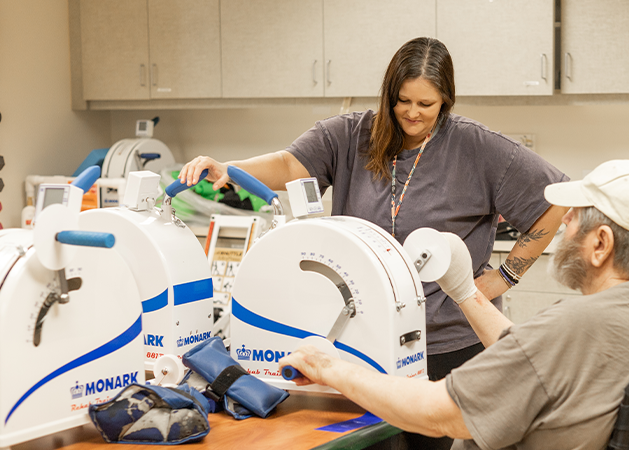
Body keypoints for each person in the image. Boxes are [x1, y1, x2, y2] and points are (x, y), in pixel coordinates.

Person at [179, 37, 568, 445]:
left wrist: (505, 276)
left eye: (426, 104)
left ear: (446, 100)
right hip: (364, 343)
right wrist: (229, 169)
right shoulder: (349, 135)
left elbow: (555, 200)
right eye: (403, 101)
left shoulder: (477, 147)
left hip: (448, 345)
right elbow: (289, 164)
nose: (413, 113)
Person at [278, 159, 629, 449]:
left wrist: (329, 366)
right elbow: (536, 363)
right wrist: (465, 292)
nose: (563, 222)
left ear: (601, 244)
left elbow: (437, 414)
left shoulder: (578, 324)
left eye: (574, 215)